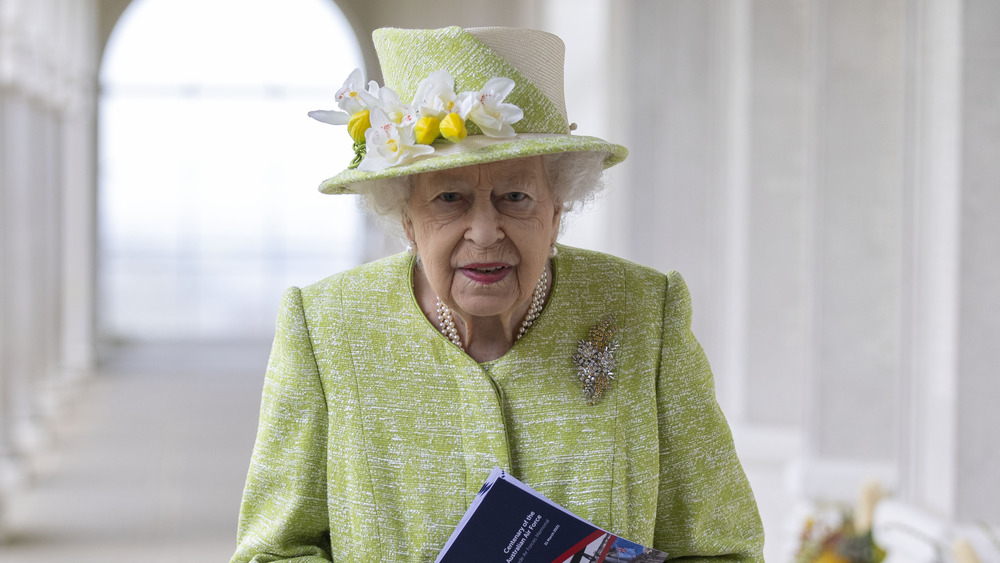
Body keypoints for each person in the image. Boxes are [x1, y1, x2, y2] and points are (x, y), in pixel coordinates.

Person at [231, 26, 764, 562]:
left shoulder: (645, 309)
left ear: (558, 210)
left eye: (515, 196)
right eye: (450, 197)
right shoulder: (326, 326)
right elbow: (272, 552)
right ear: (407, 219)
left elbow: (723, 548)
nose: (485, 232)